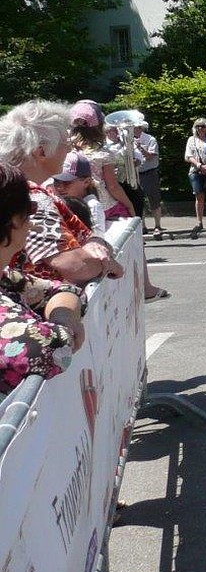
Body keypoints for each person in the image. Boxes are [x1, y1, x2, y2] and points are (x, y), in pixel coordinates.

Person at [0, 100, 130, 291]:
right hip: (36, 304)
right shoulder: (32, 198)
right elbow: (76, 266)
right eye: (65, 143)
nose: (69, 149)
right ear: (41, 151)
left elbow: (90, 238)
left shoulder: (36, 193)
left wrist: (96, 244)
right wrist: (105, 262)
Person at [0, 163, 86, 395]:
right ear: (15, 219)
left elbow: (62, 290)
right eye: (31, 208)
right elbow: (50, 347)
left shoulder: (6, 277)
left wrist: (62, 315)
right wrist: (64, 326)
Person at [48, 152, 101, 232]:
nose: (60, 187)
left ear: (86, 182)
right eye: (57, 181)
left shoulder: (93, 206)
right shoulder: (58, 202)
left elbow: (96, 237)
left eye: (67, 183)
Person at [133, 122, 164, 235]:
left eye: (134, 127)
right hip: (136, 173)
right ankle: (142, 226)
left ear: (140, 128)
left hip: (149, 172)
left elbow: (150, 156)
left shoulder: (150, 139)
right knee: (138, 200)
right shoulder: (129, 140)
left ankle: (157, 226)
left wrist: (140, 147)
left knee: (154, 199)